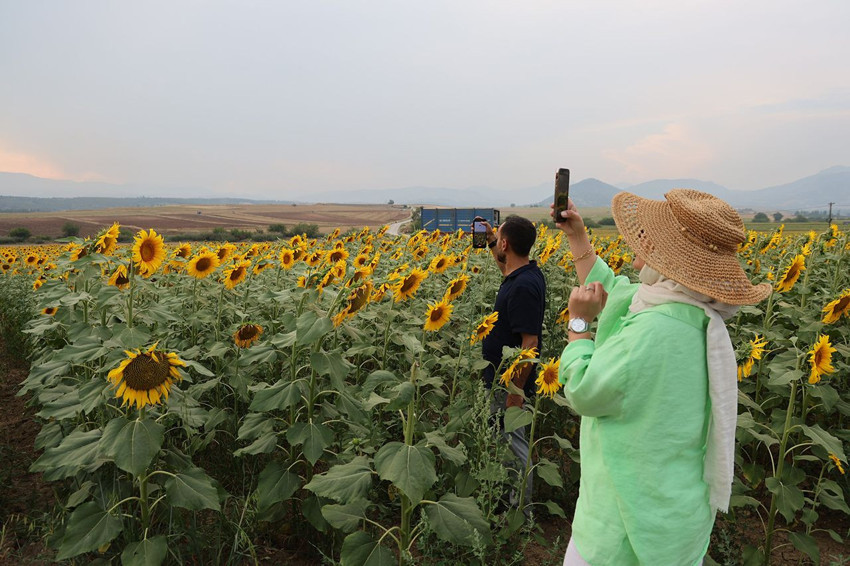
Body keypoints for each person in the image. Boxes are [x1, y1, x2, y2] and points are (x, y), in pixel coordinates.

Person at [553, 190, 770, 566]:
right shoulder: (692, 314)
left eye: (652, 237)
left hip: (624, 522)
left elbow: (584, 390)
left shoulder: (652, 331)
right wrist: (577, 237)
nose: (640, 240)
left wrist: (578, 326)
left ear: (669, 257)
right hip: (673, 516)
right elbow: (617, 294)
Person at [477, 214, 546, 514]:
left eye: (499, 239)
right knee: (504, 442)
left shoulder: (522, 287)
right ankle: (508, 499)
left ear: (508, 243)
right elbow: (504, 266)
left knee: (515, 445)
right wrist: (492, 239)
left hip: (509, 385)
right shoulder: (523, 273)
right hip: (500, 379)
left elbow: (530, 344)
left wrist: (515, 391)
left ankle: (521, 511)